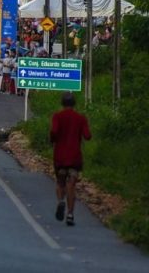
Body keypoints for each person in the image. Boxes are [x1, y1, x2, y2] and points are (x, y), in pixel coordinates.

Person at [50, 92, 91, 226]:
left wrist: (53, 140)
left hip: (60, 157)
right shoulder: (80, 118)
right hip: (74, 158)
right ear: (74, 103)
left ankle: (61, 200)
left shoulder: (58, 116)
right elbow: (87, 135)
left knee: (60, 182)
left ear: (62, 103)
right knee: (71, 185)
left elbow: (54, 132)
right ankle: (70, 214)